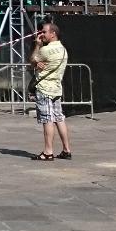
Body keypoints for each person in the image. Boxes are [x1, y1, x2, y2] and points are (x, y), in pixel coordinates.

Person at [31, 22, 72, 160]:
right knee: (59, 119)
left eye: (44, 32)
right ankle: (66, 149)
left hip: (45, 89)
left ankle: (48, 152)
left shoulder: (45, 50)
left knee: (47, 120)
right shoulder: (63, 49)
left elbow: (32, 60)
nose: (41, 34)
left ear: (53, 33)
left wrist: (37, 45)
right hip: (56, 88)